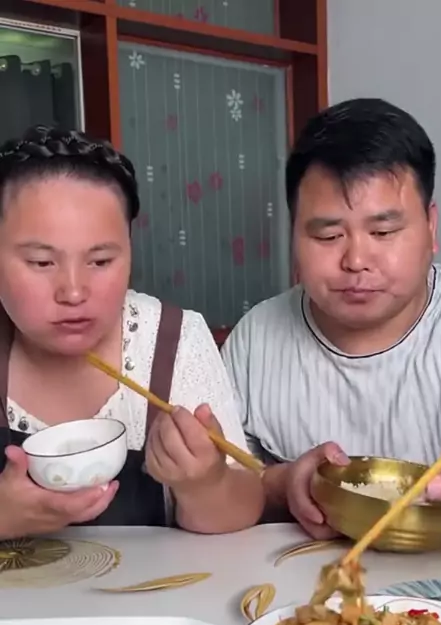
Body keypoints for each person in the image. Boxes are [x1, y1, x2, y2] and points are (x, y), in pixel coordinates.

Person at [223, 97, 441, 539]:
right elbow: (220, 486)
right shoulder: (256, 340)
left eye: (383, 232)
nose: (356, 260)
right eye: (328, 235)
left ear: (431, 227)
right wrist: (281, 485)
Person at [0, 125, 264, 538]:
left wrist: (205, 484)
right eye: (41, 263)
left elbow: (242, 508)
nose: (73, 292)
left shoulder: (173, 340)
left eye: (101, 261)